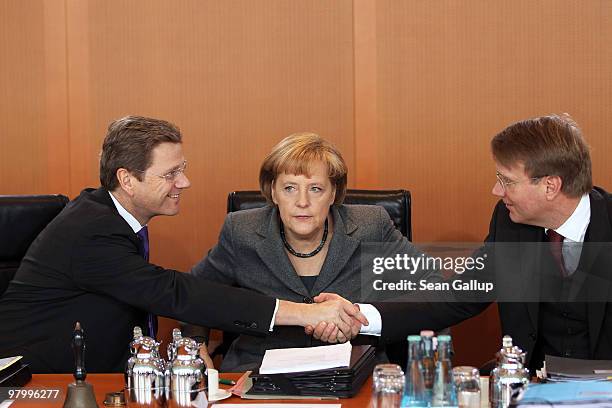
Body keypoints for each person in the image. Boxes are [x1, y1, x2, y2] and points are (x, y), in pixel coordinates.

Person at [0, 116, 366, 373]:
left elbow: (420, 292)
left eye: (182, 168)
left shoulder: (107, 217)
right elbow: (177, 292)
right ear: (127, 180)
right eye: (171, 174)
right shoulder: (90, 231)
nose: (185, 182)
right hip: (37, 382)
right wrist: (305, 313)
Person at [312, 114, 612, 371]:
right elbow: (458, 294)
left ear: (550, 186)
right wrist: (360, 317)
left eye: (507, 181)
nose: (497, 190)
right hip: (531, 388)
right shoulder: (511, 223)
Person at [191, 132, 419, 371]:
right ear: (273, 191)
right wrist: (196, 347)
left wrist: (361, 318)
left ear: (333, 193)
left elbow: (432, 287)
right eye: (289, 188)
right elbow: (194, 295)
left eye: (316, 189)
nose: (302, 201)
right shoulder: (241, 231)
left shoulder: (371, 226)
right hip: (258, 373)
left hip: (354, 371)